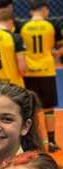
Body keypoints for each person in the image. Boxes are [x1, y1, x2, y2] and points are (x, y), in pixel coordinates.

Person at [21, 0, 62, 152]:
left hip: (29, 72)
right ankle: (51, 141)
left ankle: (31, 141)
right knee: (49, 108)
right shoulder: (51, 25)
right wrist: (55, 53)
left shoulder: (23, 27)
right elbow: (60, 46)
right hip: (46, 70)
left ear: (31, 11)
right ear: (45, 9)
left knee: (30, 108)